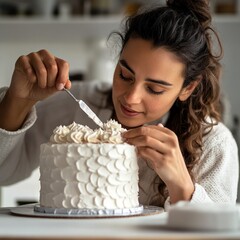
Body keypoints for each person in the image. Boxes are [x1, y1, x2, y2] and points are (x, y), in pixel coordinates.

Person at [0, 0, 238, 209]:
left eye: (154, 89)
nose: (130, 97)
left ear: (188, 88)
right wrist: (18, 100)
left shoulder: (214, 145)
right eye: (125, 75)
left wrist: (182, 187)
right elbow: (4, 172)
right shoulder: (79, 104)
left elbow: (216, 233)